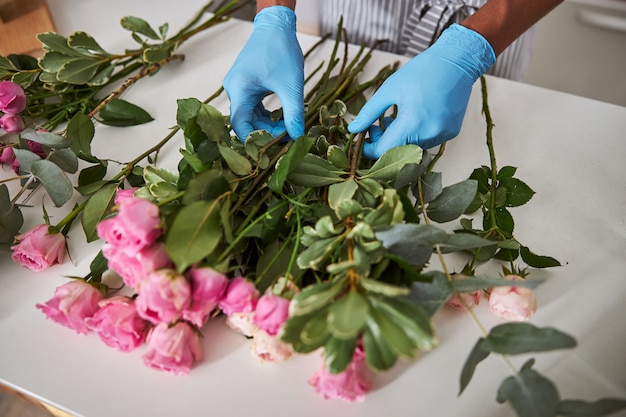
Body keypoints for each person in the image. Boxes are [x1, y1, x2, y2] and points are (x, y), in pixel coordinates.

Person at [223, 0, 563, 159]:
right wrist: (274, 13)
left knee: (469, 151)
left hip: (495, 20)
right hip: (363, 15)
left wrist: (471, 50)